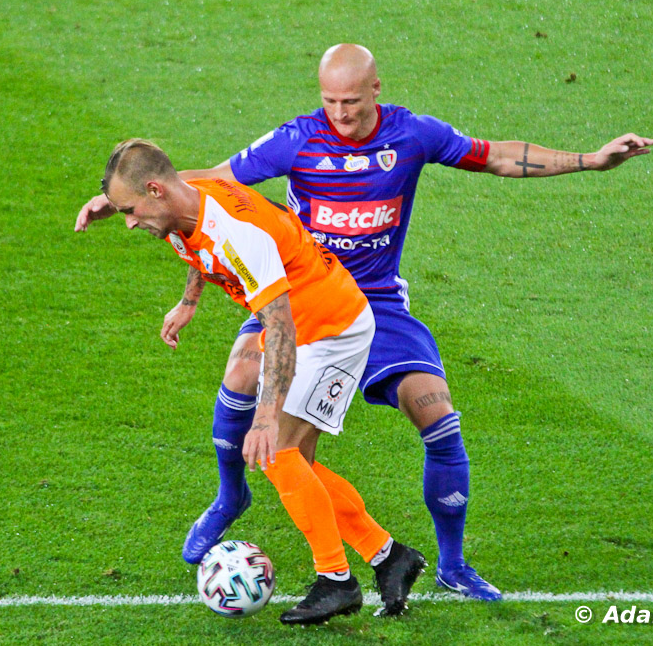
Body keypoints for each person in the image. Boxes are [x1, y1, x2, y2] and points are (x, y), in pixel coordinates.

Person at [76, 45, 653, 602]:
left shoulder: (412, 135)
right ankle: (234, 497)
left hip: (373, 303)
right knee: (244, 379)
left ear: (376, 89)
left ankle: (449, 565)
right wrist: (128, 200)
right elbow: (212, 190)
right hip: (293, 292)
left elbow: (495, 155)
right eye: (329, 101)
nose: (340, 113)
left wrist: (589, 159)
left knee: (437, 419)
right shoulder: (296, 140)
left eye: (351, 101)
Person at [88, 138, 427, 623]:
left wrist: (265, 416)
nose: (128, 222)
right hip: (306, 322)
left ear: (156, 190)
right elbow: (197, 251)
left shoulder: (236, 234)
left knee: (279, 452)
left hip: (329, 328)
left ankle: (337, 581)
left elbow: (280, 325)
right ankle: (389, 556)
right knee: (296, 464)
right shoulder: (181, 206)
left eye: (129, 210)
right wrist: (188, 302)